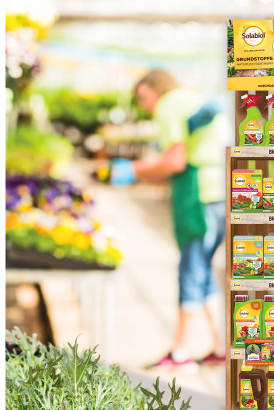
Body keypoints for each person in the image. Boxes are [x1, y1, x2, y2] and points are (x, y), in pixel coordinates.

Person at [111, 69, 227, 368]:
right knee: (203, 270)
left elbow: (175, 161)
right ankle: (220, 346)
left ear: (156, 89)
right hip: (222, 190)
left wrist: (133, 170)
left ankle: (180, 352)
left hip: (197, 193)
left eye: (144, 97)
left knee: (190, 268)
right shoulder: (192, 97)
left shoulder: (168, 105)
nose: (145, 105)